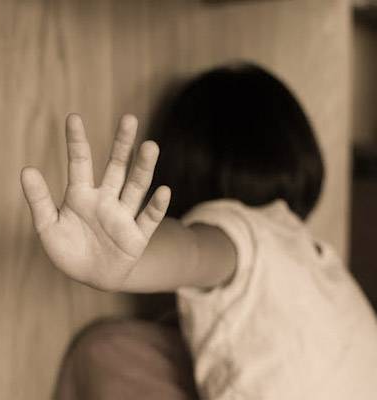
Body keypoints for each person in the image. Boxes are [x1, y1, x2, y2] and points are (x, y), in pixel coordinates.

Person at [20, 63, 377, 399]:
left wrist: (131, 265)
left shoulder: (237, 229)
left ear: (184, 168)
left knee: (104, 350)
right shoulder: (316, 259)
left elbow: (191, 251)